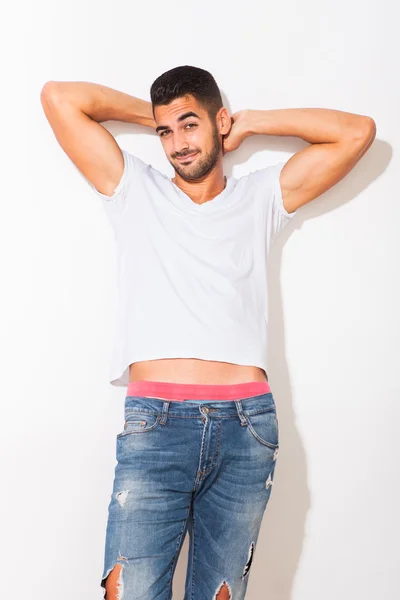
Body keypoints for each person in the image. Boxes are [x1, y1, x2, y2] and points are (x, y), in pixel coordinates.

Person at [40, 65, 376, 600]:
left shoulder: (263, 196)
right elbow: (59, 97)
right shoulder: (134, 189)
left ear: (219, 122)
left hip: (247, 429)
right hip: (156, 425)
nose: (177, 144)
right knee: (126, 592)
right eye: (165, 132)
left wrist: (249, 122)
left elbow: (357, 132)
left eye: (190, 125)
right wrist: (154, 114)